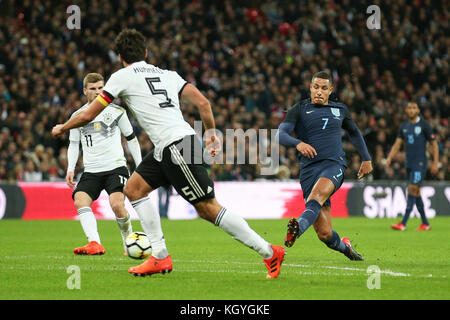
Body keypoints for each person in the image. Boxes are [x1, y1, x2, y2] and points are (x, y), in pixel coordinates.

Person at [52, 29, 285, 279]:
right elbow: (204, 103)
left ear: (120, 56)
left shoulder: (120, 77)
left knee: (208, 208)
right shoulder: (168, 74)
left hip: (178, 146)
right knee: (134, 189)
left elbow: (88, 114)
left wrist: (63, 127)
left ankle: (270, 252)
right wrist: (211, 134)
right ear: (146, 53)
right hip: (169, 147)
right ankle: (160, 256)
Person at [277, 71, 372, 260]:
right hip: (308, 171)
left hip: (334, 165)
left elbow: (354, 132)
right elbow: (281, 134)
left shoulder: (340, 109)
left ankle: (297, 228)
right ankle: (347, 249)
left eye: (323, 88)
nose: (319, 92)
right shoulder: (299, 109)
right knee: (325, 234)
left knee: (317, 195)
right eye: (316, 87)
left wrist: (366, 158)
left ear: (330, 90)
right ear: (310, 88)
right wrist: (299, 143)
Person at [65, 73, 142, 255]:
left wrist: (139, 167)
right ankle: (94, 243)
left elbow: (131, 139)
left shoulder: (117, 112)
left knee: (117, 205)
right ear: (85, 91)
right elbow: (74, 144)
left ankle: (127, 239)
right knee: (80, 200)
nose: (98, 92)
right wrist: (70, 168)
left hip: (116, 167)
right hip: (91, 170)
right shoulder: (78, 116)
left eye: (101, 88)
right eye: (93, 89)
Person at [386, 102, 439, 231]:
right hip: (409, 164)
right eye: (409, 107)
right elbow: (397, 144)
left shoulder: (424, 125)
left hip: (420, 163)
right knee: (416, 193)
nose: (411, 110)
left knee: (412, 189)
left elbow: (434, 144)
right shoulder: (404, 127)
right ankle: (425, 223)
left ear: (418, 110)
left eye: (414, 107)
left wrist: (436, 162)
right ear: (406, 110)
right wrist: (389, 158)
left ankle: (403, 223)